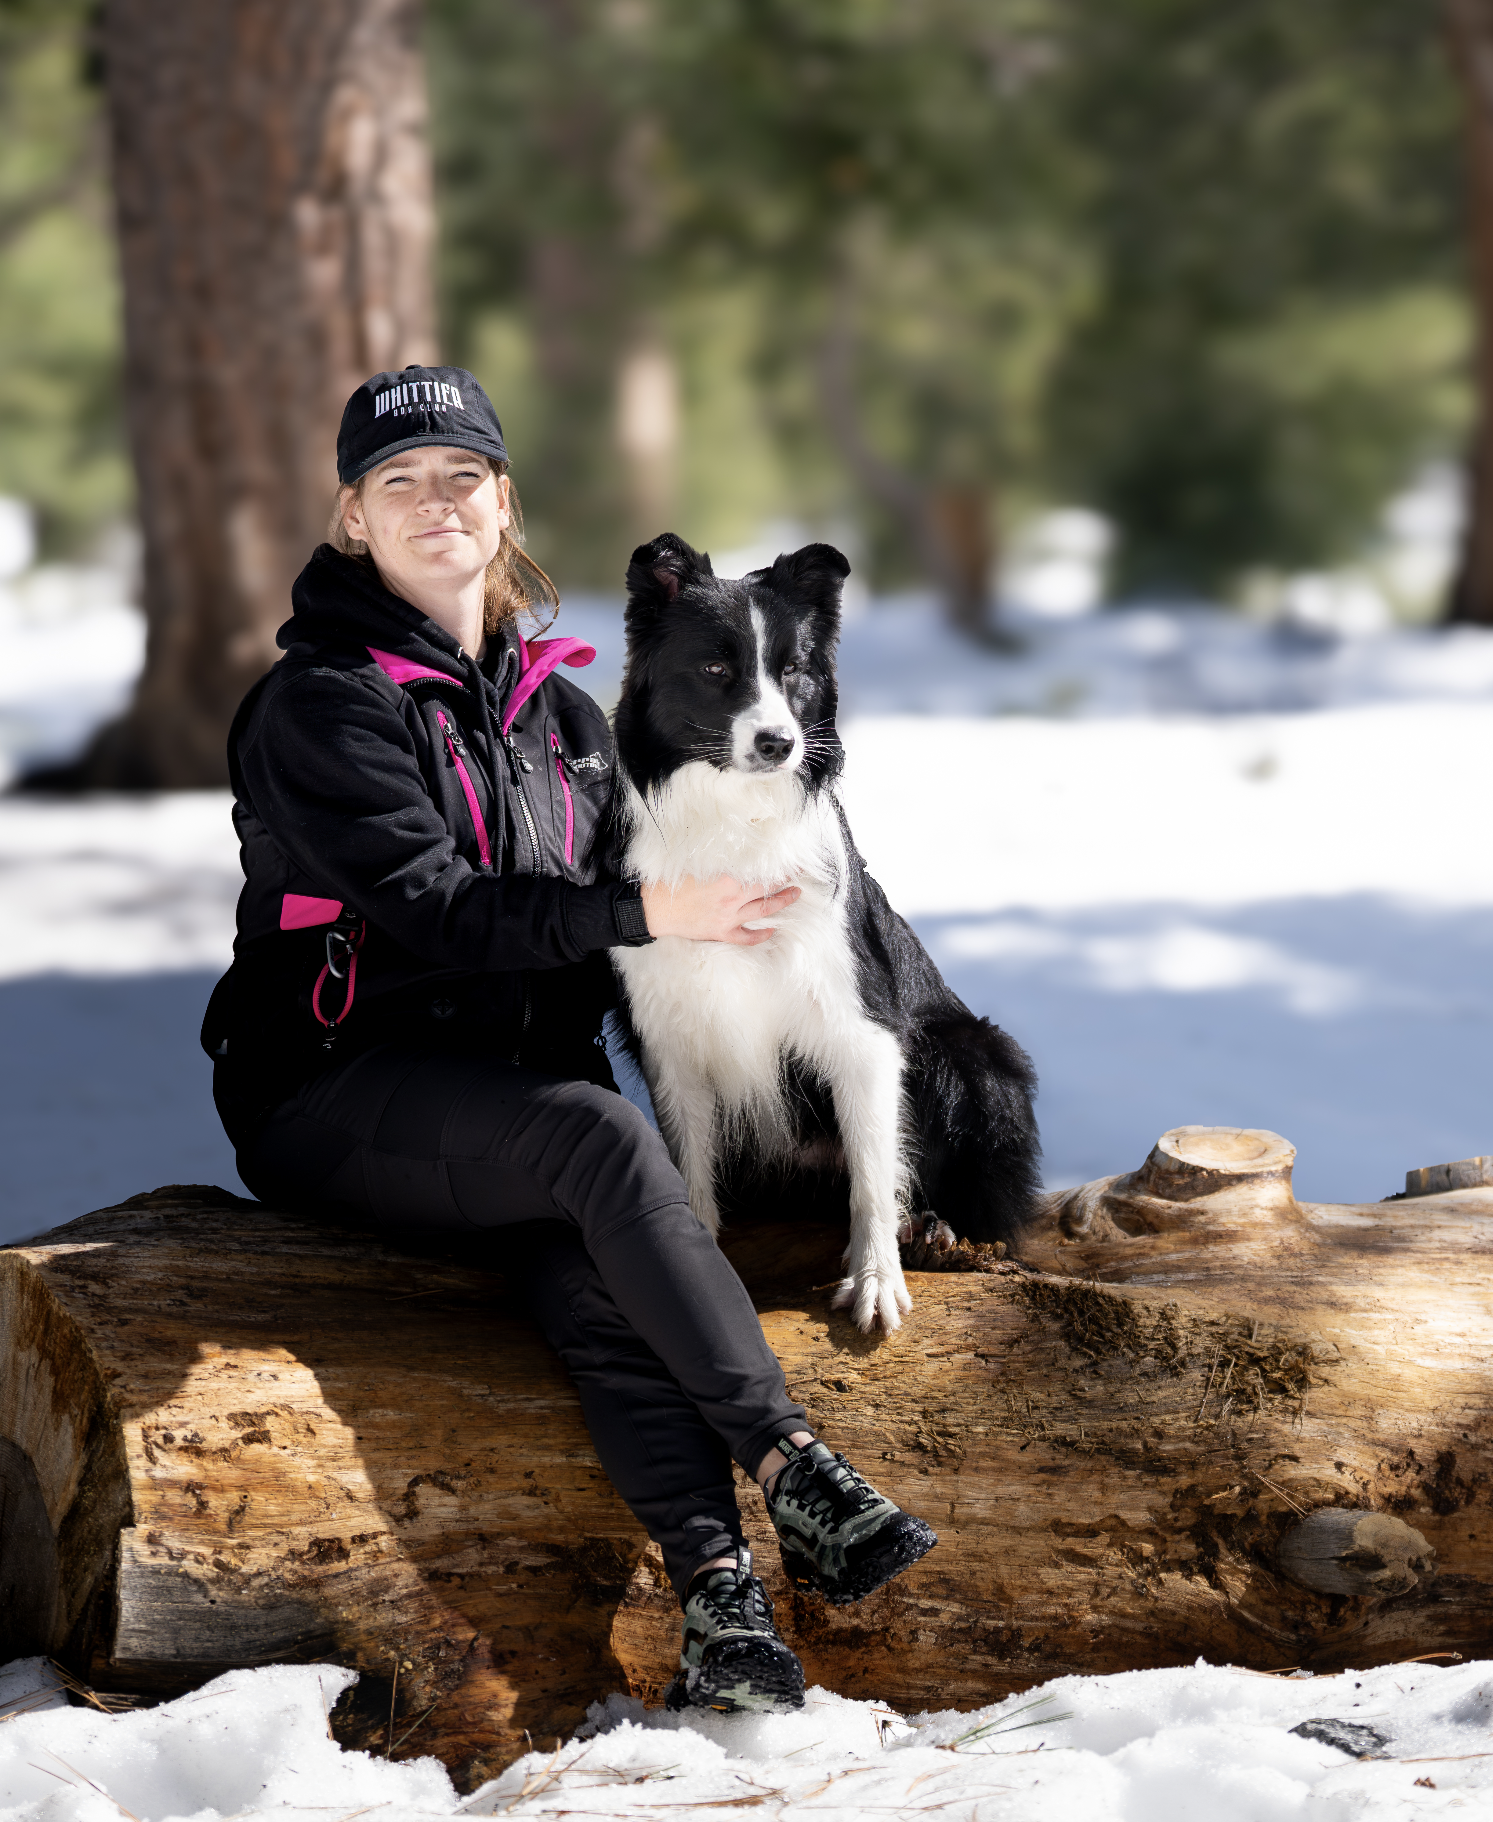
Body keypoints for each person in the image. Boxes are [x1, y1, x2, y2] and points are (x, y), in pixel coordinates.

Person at [201, 364, 936, 1713]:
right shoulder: (322, 702)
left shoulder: (560, 713)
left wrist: (786, 898)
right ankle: (796, 1465)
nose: (436, 503)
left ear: (503, 503)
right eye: (399, 482)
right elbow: (436, 906)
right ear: (355, 519)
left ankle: (723, 1607)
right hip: (340, 1086)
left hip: (516, 1114)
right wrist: (654, 905)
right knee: (597, 1134)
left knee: (605, 1284)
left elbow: (623, 909)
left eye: (461, 476)